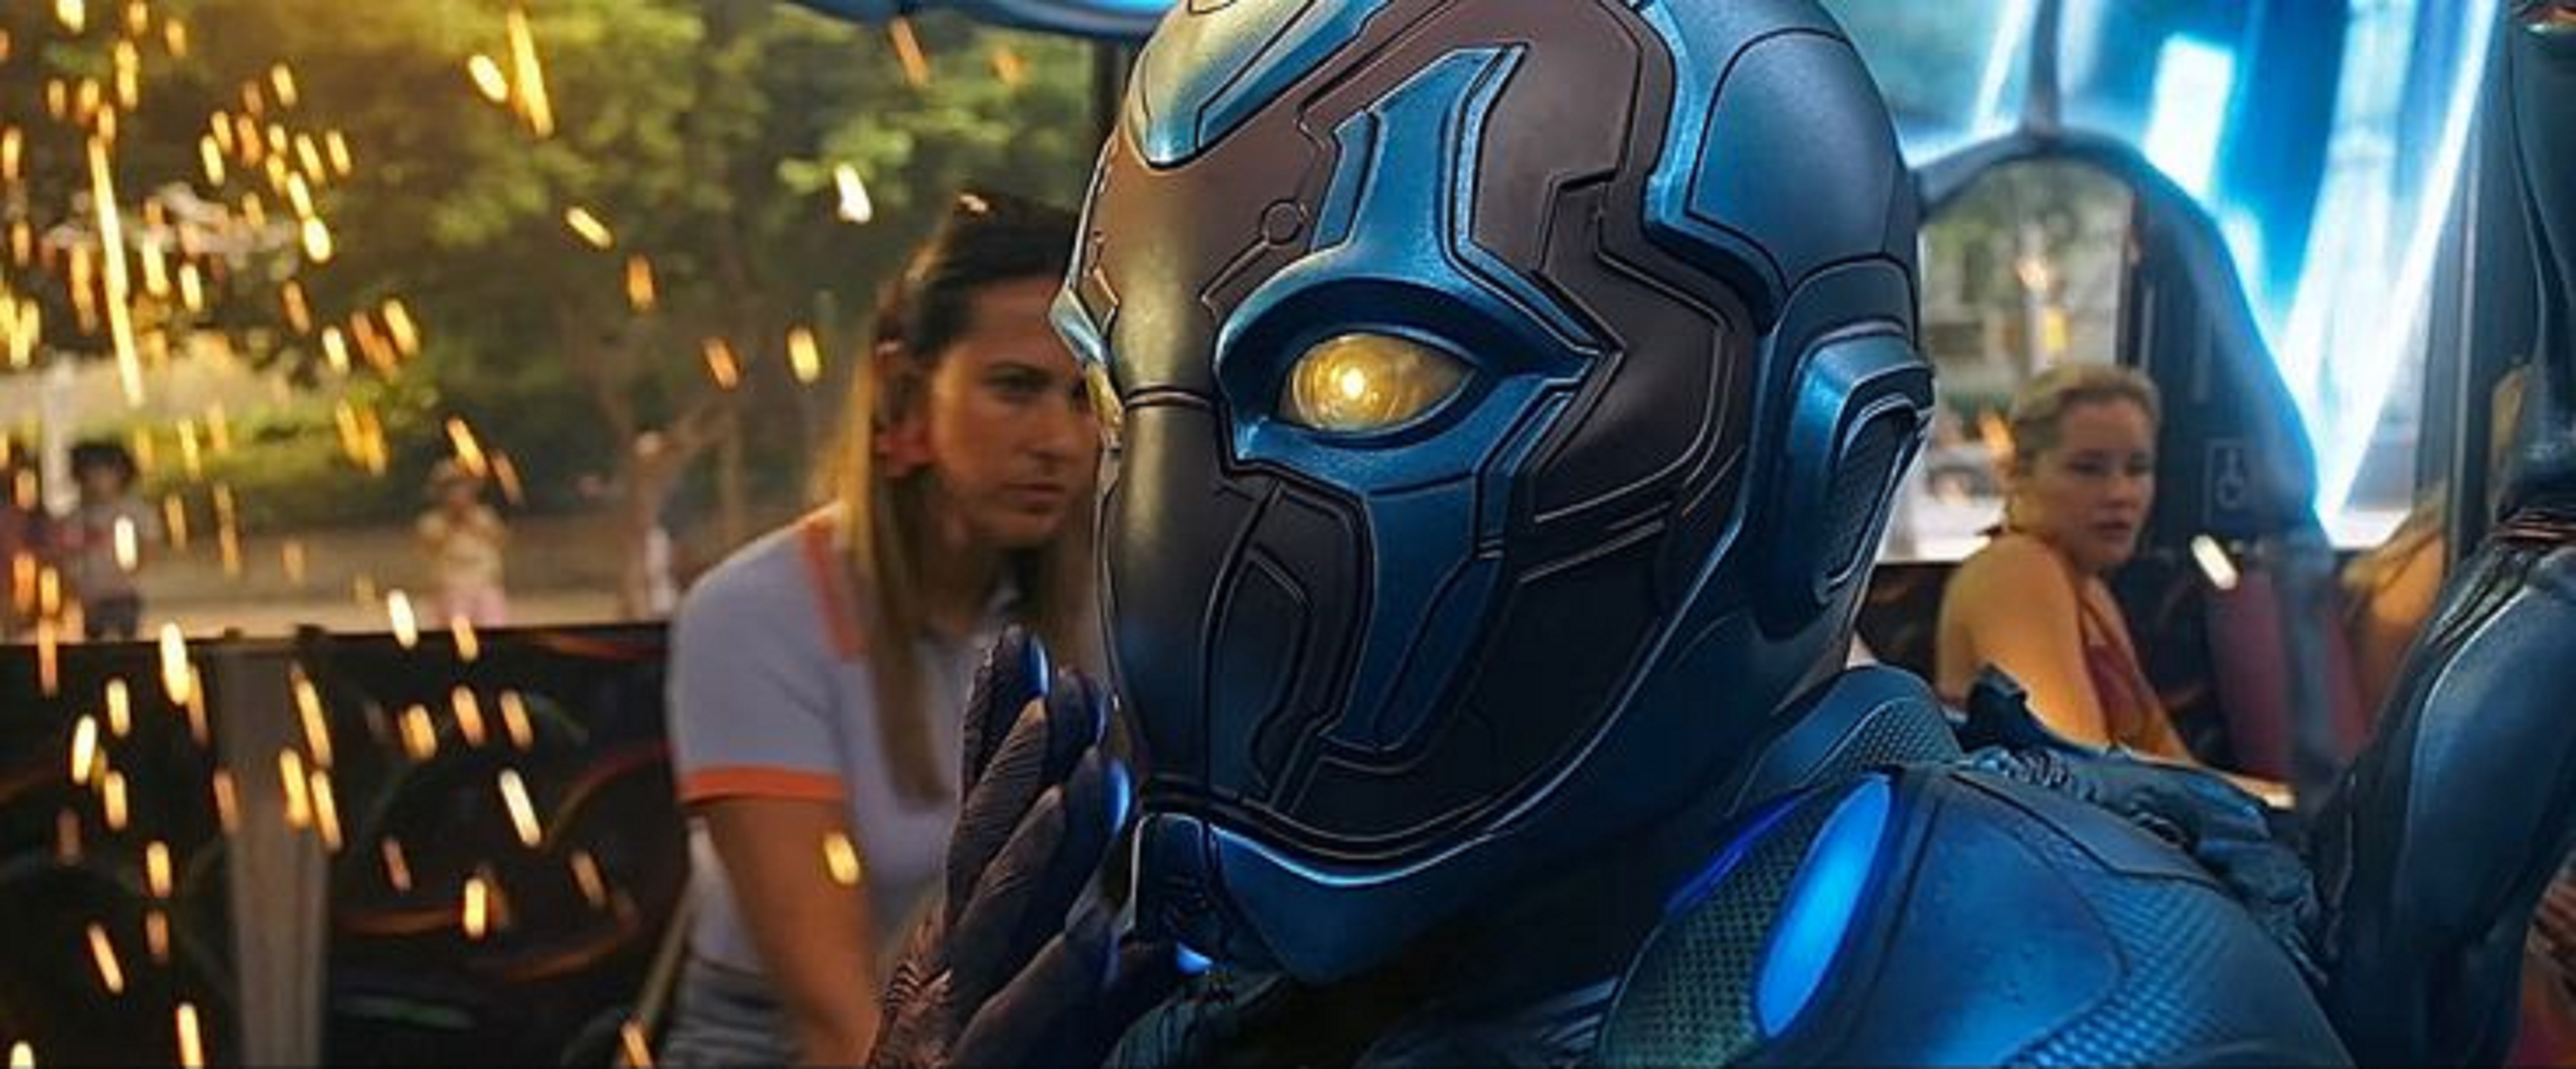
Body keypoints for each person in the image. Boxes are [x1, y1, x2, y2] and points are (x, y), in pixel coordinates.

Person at [658, 189, 1095, 1067]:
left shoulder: (1099, 610)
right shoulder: (755, 616)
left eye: (1087, 396)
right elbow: (839, 1024)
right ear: (904, 392)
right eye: (1015, 387)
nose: (1059, 438)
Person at [1934, 363, 2196, 760]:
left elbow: (2173, 765)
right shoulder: (2015, 569)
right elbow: (2074, 769)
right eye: (2087, 469)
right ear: (2020, 474)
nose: (2120, 493)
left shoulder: (2090, 592)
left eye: (2137, 469)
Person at [59, 440, 158, 640]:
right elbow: (67, 553)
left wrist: (134, 566)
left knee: (126, 638)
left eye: (103, 474)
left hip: (124, 590)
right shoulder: (77, 515)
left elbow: (149, 543)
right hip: (89, 593)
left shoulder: (134, 511)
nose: (96, 481)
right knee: (94, 639)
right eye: (90, 475)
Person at [417, 458, 510, 628]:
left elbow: (500, 539)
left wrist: (470, 517)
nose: (457, 493)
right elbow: (431, 545)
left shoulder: (485, 516)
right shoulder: (432, 522)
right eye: (450, 488)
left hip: (484, 587)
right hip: (451, 590)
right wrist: (453, 520)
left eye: (462, 486)